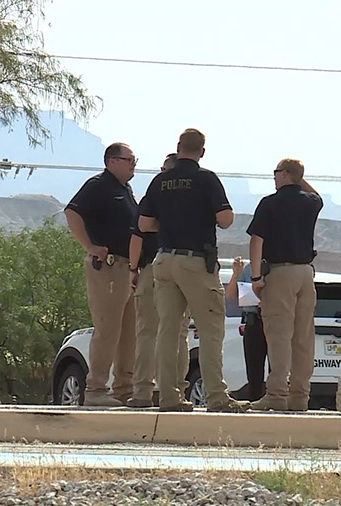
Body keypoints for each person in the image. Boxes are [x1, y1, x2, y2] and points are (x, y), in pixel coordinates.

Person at [138, 128, 248, 413]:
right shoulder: (206, 179)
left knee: (168, 330)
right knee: (210, 330)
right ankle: (217, 397)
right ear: (202, 151)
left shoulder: (160, 181)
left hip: (163, 261)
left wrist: (171, 222)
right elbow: (225, 219)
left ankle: (169, 397)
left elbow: (143, 225)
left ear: (178, 147)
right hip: (196, 261)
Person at [64, 142, 138, 407]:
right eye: (129, 160)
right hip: (107, 266)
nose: (133, 165)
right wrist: (90, 246)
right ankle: (96, 388)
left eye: (134, 160)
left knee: (129, 331)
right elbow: (72, 212)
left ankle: (123, 389)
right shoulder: (97, 185)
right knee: (107, 328)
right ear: (112, 161)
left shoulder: (125, 189)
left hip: (128, 269)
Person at [247, 158, 323, 411]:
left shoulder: (270, 203)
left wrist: (256, 277)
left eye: (277, 172)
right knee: (303, 337)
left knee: (279, 334)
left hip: (280, 273)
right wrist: (299, 177)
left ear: (286, 174)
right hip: (305, 273)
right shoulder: (311, 202)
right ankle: (300, 396)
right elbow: (316, 194)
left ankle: (277, 394)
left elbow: (256, 240)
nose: (274, 177)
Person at [126, 153, 190, 408]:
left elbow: (137, 235)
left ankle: (142, 391)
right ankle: (176, 392)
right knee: (179, 334)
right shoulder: (193, 199)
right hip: (185, 268)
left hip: (154, 267)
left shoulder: (154, 195)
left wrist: (133, 269)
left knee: (148, 333)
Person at [225, 257, 267, 401]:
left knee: (277, 367)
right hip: (253, 321)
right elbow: (230, 295)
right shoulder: (249, 268)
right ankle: (255, 401)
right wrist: (236, 274)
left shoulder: (277, 267)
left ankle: (277, 400)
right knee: (254, 369)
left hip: (273, 320)